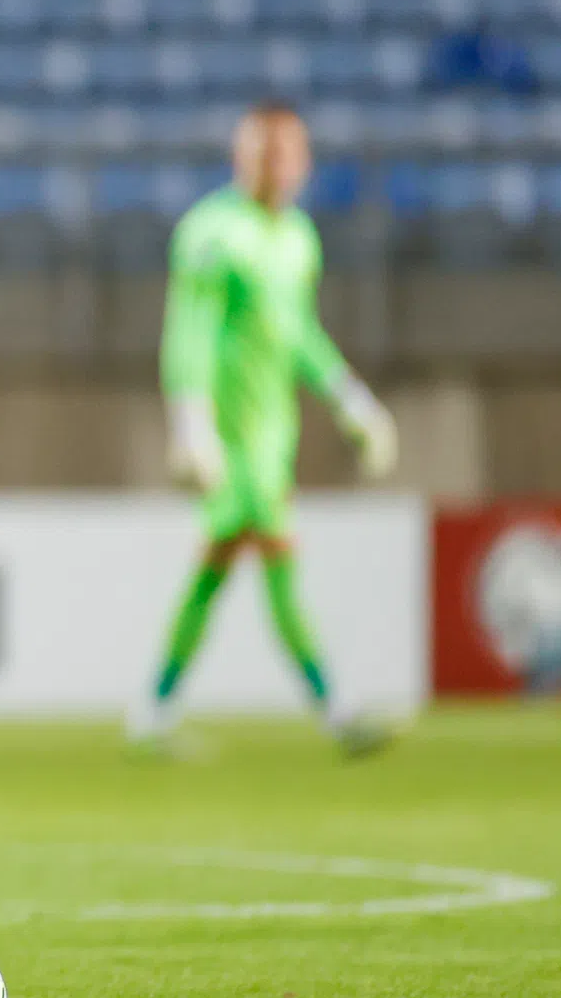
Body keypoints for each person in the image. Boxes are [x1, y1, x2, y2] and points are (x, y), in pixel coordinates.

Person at [130, 101, 399, 757]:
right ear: (240, 157)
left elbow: (297, 331)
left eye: (287, 153)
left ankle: (151, 714)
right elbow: (186, 331)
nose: (276, 165)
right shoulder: (211, 233)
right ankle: (336, 710)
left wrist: (348, 397)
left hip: (276, 429)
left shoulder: (299, 237)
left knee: (217, 565)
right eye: (263, 152)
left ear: (303, 161)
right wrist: (190, 423)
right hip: (230, 433)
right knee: (278, 551)